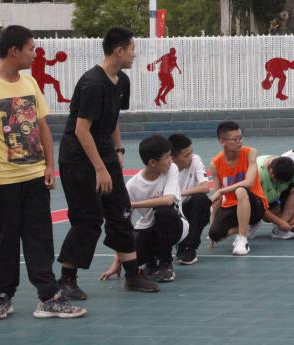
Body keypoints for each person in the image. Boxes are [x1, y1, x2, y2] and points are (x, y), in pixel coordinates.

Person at [0, 25, 85, 320]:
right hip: (2, 181)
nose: (35, 54)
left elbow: (42, 126)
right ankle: (2, 297)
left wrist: (49, 165)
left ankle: (48, 297)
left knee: (40, 239)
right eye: (31, 49)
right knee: (4, 241)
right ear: (14, 51)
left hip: (34, 178)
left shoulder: (30, 83)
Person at [57, 26, 158, 298]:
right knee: (88, 219)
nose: (135, 54)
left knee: (121, 211)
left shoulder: (121, 81)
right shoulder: (93, 83)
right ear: (119, 51)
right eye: (132, 49)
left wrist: (118, 149)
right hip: (78, 159)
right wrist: (100, 169)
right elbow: (81, 130)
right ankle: (66, 279)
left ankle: (133, 274)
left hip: (104, 152)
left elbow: (112, 119)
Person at [100, 135, 189, 284]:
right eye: (167, 157)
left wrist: (133, 204)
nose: (171, 160)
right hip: (148, 229)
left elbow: (168, 200)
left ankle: (165, 263)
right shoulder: (132, 185)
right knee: (132, 258)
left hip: (176, 227)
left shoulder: (171, 169)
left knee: (163, 211)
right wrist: (117, 261)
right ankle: (151, 261)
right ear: (152, 162)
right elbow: (123, 225)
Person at [207, 121, 267, 256]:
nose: (240, 142)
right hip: (232, 205)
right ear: (222, 141)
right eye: (235, 139)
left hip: (255, 204)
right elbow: (217, 198)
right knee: (215, 234)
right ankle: (245, 226)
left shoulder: (250, 153)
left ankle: (242, 239)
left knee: (240, 190)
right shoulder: (215, 164)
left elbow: (249, 182)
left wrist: (222, 191)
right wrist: (213, 223)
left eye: (241, 138)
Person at [168, 133, 212, 265]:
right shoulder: (165, 167)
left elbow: (205, 187)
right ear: (173, 158)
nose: (191, 157)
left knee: (201, 200)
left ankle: (189, 248)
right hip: (172, 210)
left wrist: (180, 193)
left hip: (189, 208)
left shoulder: (195, 160)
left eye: (191, 152)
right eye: (186, 155)